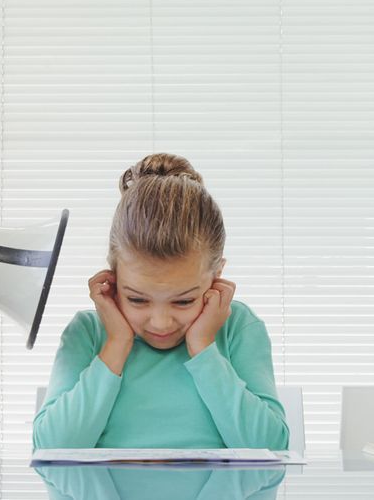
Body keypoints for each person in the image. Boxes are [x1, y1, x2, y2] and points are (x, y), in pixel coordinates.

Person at [33, 153, 288, 450]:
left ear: (216, 276)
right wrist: (116, 343)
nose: (161, 322)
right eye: (137, 299)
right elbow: (52, 448)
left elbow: (270, 449)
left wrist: (204, 347)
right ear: (113, 278)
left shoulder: (238, 328)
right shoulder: (88, 334)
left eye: (183, 301)